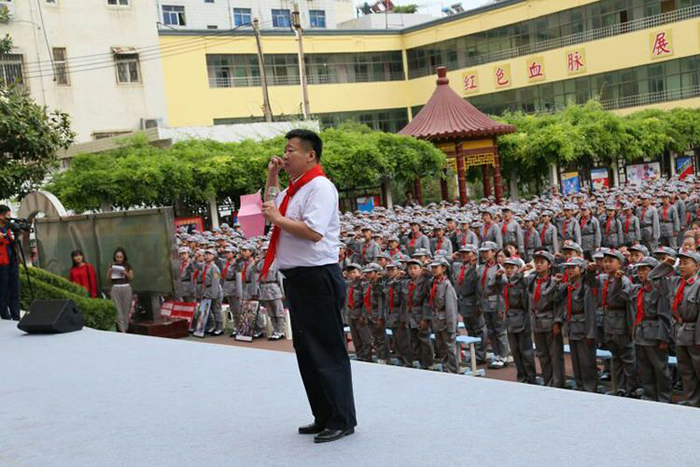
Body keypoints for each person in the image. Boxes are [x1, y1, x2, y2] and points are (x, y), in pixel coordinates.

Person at [261, 129, 356, 443]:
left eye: (290, 151)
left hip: (318, 277)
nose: (285, 155)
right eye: (284, 151)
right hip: (299, 279)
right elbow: (269, 205)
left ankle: (342, 419)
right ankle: (323, 415)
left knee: (327, 351)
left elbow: (313, 232)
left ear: (310, 155)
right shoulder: (294, 189)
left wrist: (277, 218)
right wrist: (272, 175)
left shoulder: (320, 187)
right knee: (307, 350)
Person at [0, 205, 20, 321]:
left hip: (12, 261)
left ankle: (16, 316)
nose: (9, 218)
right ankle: (5, 316)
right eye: (7, 215)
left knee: (15, 289)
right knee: (3, 290)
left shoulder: (8, 228)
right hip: (2, 263)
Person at [108, 247, 134, 333]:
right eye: (117, 257)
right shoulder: (112, 265)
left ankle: (125, 328)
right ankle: (122, 331)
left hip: (126, 287)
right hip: (116, 287)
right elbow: (108, 280)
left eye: (120, 257)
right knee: (118, 311)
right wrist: (109, 273)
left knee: (126, 310)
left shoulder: (127, 265)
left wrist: (125, 273)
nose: (119, 259)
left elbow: (131, 277)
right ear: (115, 257)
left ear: (123, 257)